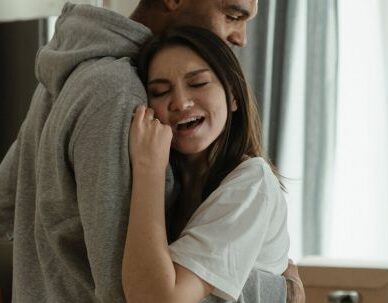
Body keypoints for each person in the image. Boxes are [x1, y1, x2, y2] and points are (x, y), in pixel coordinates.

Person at [0, 0, 304, 302]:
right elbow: (130, 287)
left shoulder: (66, 78)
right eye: (231, 14)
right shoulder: (119, 93)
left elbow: (6, 199)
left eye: (197, 83)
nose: (241, 37)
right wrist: (276, 291)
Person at [123, 26, 290, 303]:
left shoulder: (252, 182)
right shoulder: (177, 184)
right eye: (160, 91)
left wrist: (148, 169)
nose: (180, 102)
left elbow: (155, 299)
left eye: (198, 83)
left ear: (233, 95)